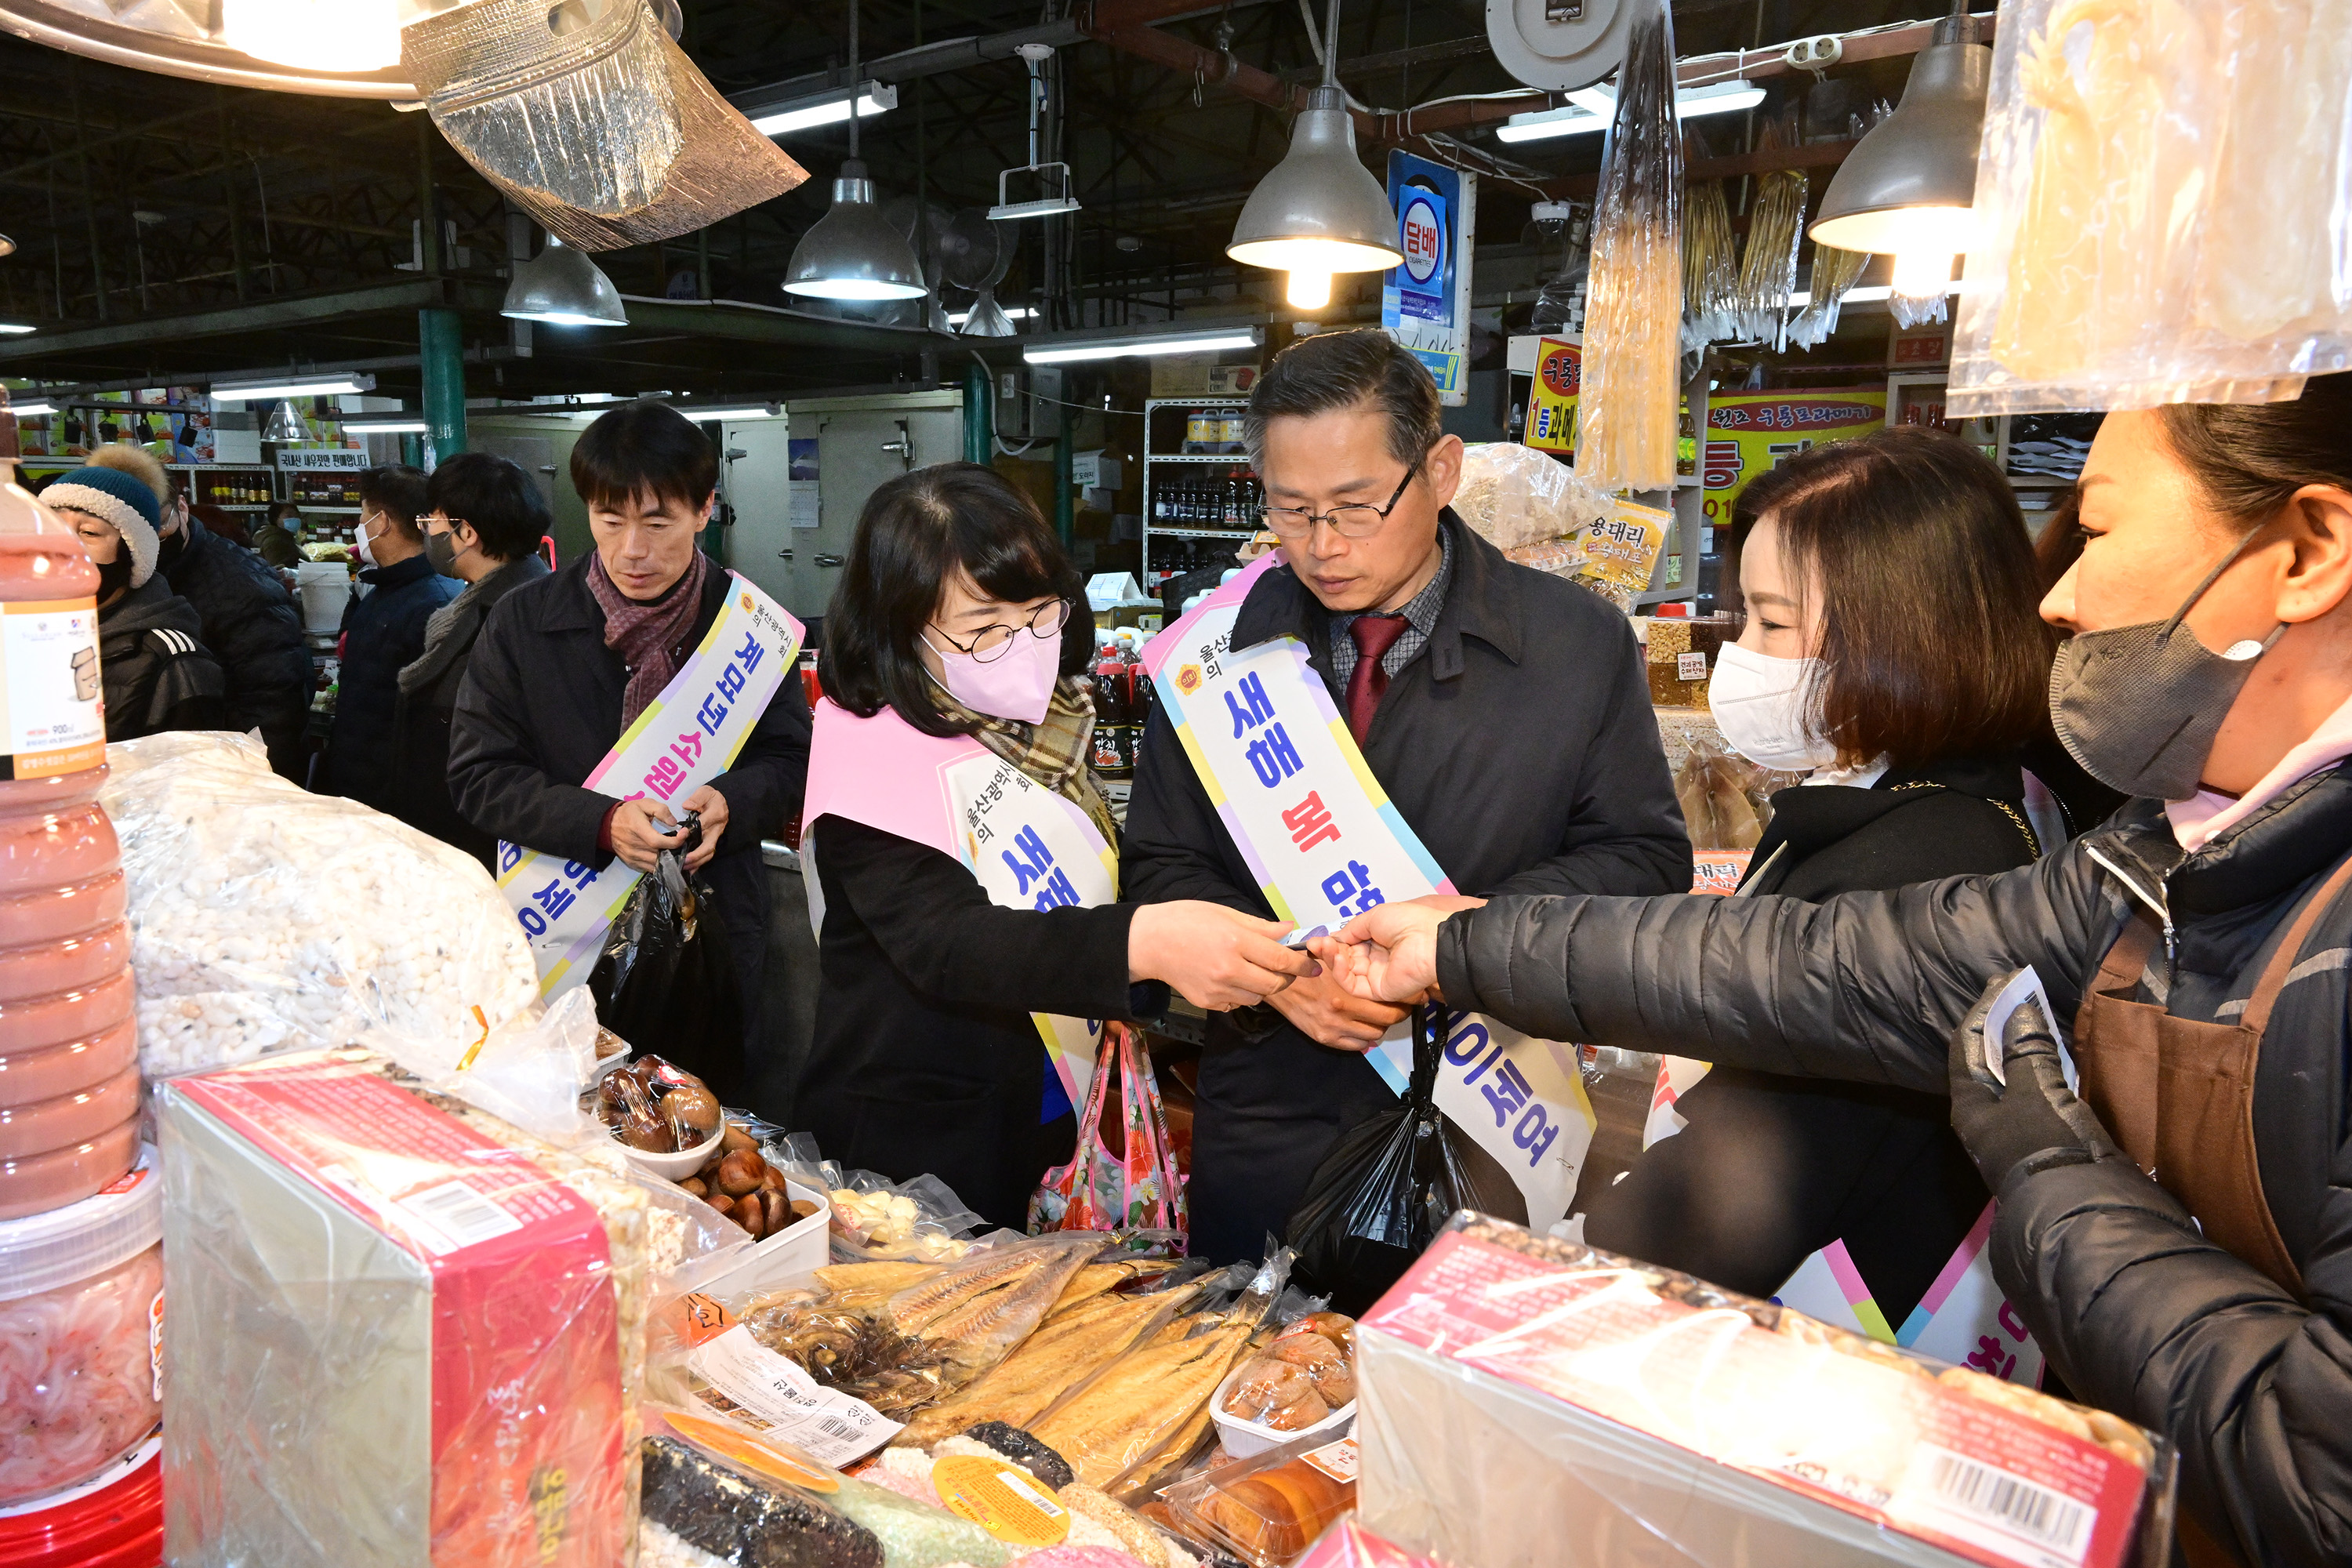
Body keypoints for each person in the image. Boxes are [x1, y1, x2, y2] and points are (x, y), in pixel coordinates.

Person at [1322, 373, 2352, 1568]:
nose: (2060, 598)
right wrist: (1465, 942)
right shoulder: (2168, 851)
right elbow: (1815, 969)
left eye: (2102, 531)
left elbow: (2318, 1471)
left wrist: (2059, 1175)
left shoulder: (1975, 838)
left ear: (2310, 550)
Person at [1121, 328, 1692, 1263]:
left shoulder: (1576, 643)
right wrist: (1288, 980)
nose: (1321, 545)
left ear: (1441, 469)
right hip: (1273, 1108)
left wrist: (1462, 941)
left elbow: (1642, 859)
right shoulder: (1213, 656)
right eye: (1290, 511)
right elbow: (1160, 865)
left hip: (1488, 1120)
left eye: (1354, 507)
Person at [1578, 426, 2063, 1324]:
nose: (1745, 653)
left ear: (1904, 630)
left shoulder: (1919, 867)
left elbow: (1745, 1185)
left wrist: (1560, 1276)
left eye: (1774, 621)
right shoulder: (1943, 794)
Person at [800, 463, 1316, 1230]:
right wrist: (1145, 940)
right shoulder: (867, 747)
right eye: (983, 631)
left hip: (1057, 1100)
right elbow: (950, 942)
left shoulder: (1052, 726)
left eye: (1042, 615)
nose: (1025, 648)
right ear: (899, 628)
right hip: (925, 1137)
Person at [449, 404, 809, 1102]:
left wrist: (734, 803)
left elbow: (793, 761)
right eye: (610, 521)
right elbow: (477, 775)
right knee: (572, 1120)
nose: (632, 550)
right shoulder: (524, 622)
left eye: (657, 522)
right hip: (563, 933)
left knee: (708, 1127)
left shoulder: (752, 631)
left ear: (704, 510)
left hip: (714, 938)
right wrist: (601, 823)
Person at [85, 446, 310, 776]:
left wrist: (252, 781)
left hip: (219, 771)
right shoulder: (116, 584)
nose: (144, 539)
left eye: (157, 524)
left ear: (181, 508)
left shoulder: (239, 585)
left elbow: (274, 701)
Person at [392, 454, 553, 863]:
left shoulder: (513, 619)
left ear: (466, 532)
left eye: (431, 522)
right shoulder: (482, 600)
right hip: (460, 832)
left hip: (481, 842)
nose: (426, 532)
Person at [39, 465, 228, 741]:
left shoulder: (172, 660)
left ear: (132, 555)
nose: (64, 547)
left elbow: (192, 776)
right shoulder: (32, 638)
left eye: (89, 533)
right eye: (52, 528)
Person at [320, 466, 459, 812]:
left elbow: (432, 729)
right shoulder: (384, 590)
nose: (360, 525)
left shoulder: (434, 603)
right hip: (361, 789)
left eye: (363, 515)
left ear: (382, 522)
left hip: (397, 803)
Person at [257, 503, 304, 569]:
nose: (295, 519)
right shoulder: (274, 541)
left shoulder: (287, 537)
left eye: (297, 516)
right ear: (275, 519)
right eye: (289, 516)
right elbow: (279, 570)